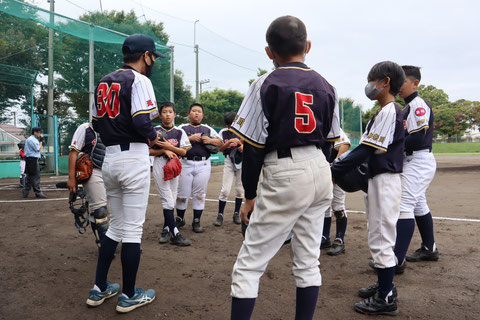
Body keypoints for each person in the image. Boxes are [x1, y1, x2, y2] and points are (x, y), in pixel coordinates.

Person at [229, 16, 339, 320]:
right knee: (307, 262)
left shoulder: (265, 82)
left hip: (286, 169)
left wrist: (249, 196)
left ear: (269, 52)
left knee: (248, 266)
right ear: (308, 46)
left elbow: (252, 148)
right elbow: (331, 141)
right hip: (319, 166)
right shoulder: (327, 85)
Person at [86, 33, 163, 313]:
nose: (153, 61)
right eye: (153, 56)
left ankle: (99, 288)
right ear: (145, 56)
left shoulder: (104, 81)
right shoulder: (140, 80)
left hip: (110, 159)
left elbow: (96, 122)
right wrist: (156, 137)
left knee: (116, 227)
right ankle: (129, 294)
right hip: (133, 158)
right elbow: (142, 122)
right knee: (131, 229)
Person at [332, 61, 405, 316]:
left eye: (372, 79)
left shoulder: (389, 111)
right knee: (378, 235)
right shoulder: (384, 110)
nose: (369, 85)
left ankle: (386, 298)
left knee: (382, 238)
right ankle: (385, 285)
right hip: (379, 179)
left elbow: (365, 150)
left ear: (385, 82)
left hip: (386, 180)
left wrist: (334, 171)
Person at [395, 65, 439, 265]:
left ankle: (397, 260)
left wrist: (393, 146)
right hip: (413, 160)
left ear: (415, 83)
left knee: (404, 205)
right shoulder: (406, 107)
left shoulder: (418, 104)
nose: (399, 84)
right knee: (418, 204)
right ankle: (430, 249)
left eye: (403, 80)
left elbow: (419, 137)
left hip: (418, 160)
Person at [175, 103, 223, 233]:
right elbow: (174, 141)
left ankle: (196, 221)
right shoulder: (182, 128)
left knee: (200, 194)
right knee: (182, 194)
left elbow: (220, 142)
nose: (196, 113)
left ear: (202, 115)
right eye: (194, 111)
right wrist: (190, 138)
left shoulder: (207, 129)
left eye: (199, 111)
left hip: (203, 164)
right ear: (188, 114)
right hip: (185, 163)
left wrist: (210, 141)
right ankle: (180, 218)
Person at [150, 101, 192, 246]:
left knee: (172, 199)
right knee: (167, 199)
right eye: (164, 112)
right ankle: (175, 233)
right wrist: (163, 150)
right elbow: (147, 150)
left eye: (170, 112)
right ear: (160, 115)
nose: (167, 114)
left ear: (175, 114)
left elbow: (184, 151)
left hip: (175, 164)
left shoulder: (180, 132)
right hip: (160, 163)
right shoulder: (154, 130)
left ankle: (166, 228)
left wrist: (169, 146)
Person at [67, 122, 109, 248]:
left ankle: (127, 241)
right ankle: (104, 245)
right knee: (100, 211)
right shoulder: (86, 128)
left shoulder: (116, 127)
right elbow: (74, 152)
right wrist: (71, 177)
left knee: (121, 210)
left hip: (113, 171)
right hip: (93, 171)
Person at [321, 128, 351, 256]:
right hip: (322, 173)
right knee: (324, 206)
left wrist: (336, 163)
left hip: (337, 173)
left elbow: (345, 144)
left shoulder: (330, 126)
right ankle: (324, 237)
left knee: (338, 206)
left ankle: (339, 240)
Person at [215, 112, 244, 227]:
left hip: (242, 161)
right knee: (225, 190)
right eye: (229, 125)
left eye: (233, 124)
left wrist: (243, 147)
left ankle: (236, 213)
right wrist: (230, 142)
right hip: (229, 161)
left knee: (240, 190)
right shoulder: (223, 132)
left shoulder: (243, 131)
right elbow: (221, 149)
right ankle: (220, 214)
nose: (231, 127)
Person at [22, 127, 46, 198]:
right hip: (32, 159)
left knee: (30, 175)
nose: (40, 134)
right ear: (35, 132)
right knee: (36, 176)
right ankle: (37, 192)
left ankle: (26, 190)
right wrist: (41, 141)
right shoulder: (32, 140)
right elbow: (38, 149)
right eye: (39, 132)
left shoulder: (32, 139)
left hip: (30, 159)